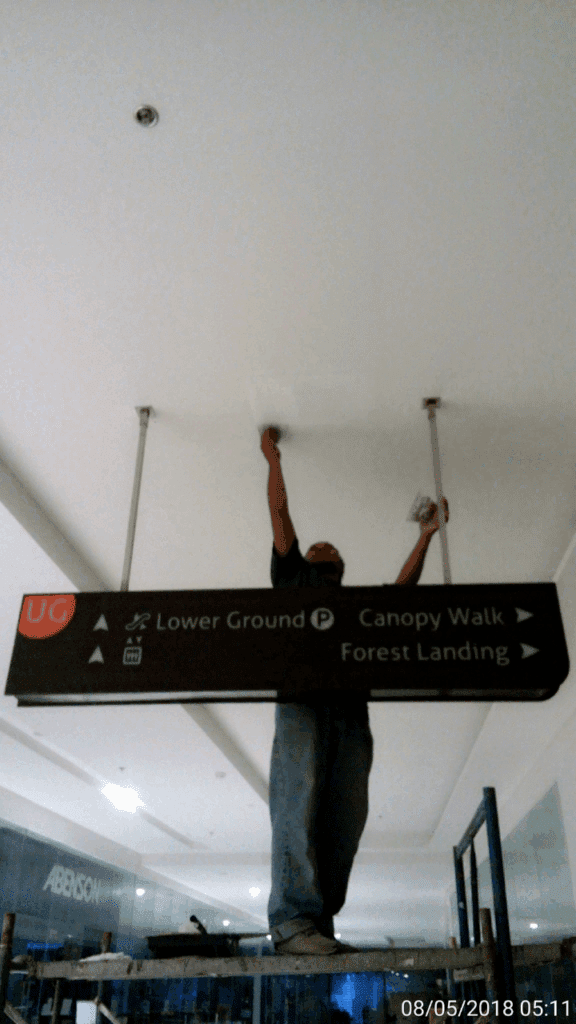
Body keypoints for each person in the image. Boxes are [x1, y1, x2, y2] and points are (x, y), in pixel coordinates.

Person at [260, 427, 449, 955]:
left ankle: (320, 921)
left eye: (330, 548)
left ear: (342, 568)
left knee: (345, 815)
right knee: (297, 801)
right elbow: (280, 515)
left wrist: (426, 537)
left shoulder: (358, 608)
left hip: (351, 714)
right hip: (300, 703)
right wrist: (272, 461)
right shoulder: (293, 582)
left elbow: (400, 596)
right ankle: (293, 923)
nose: (322, 544)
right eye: (316, 545)